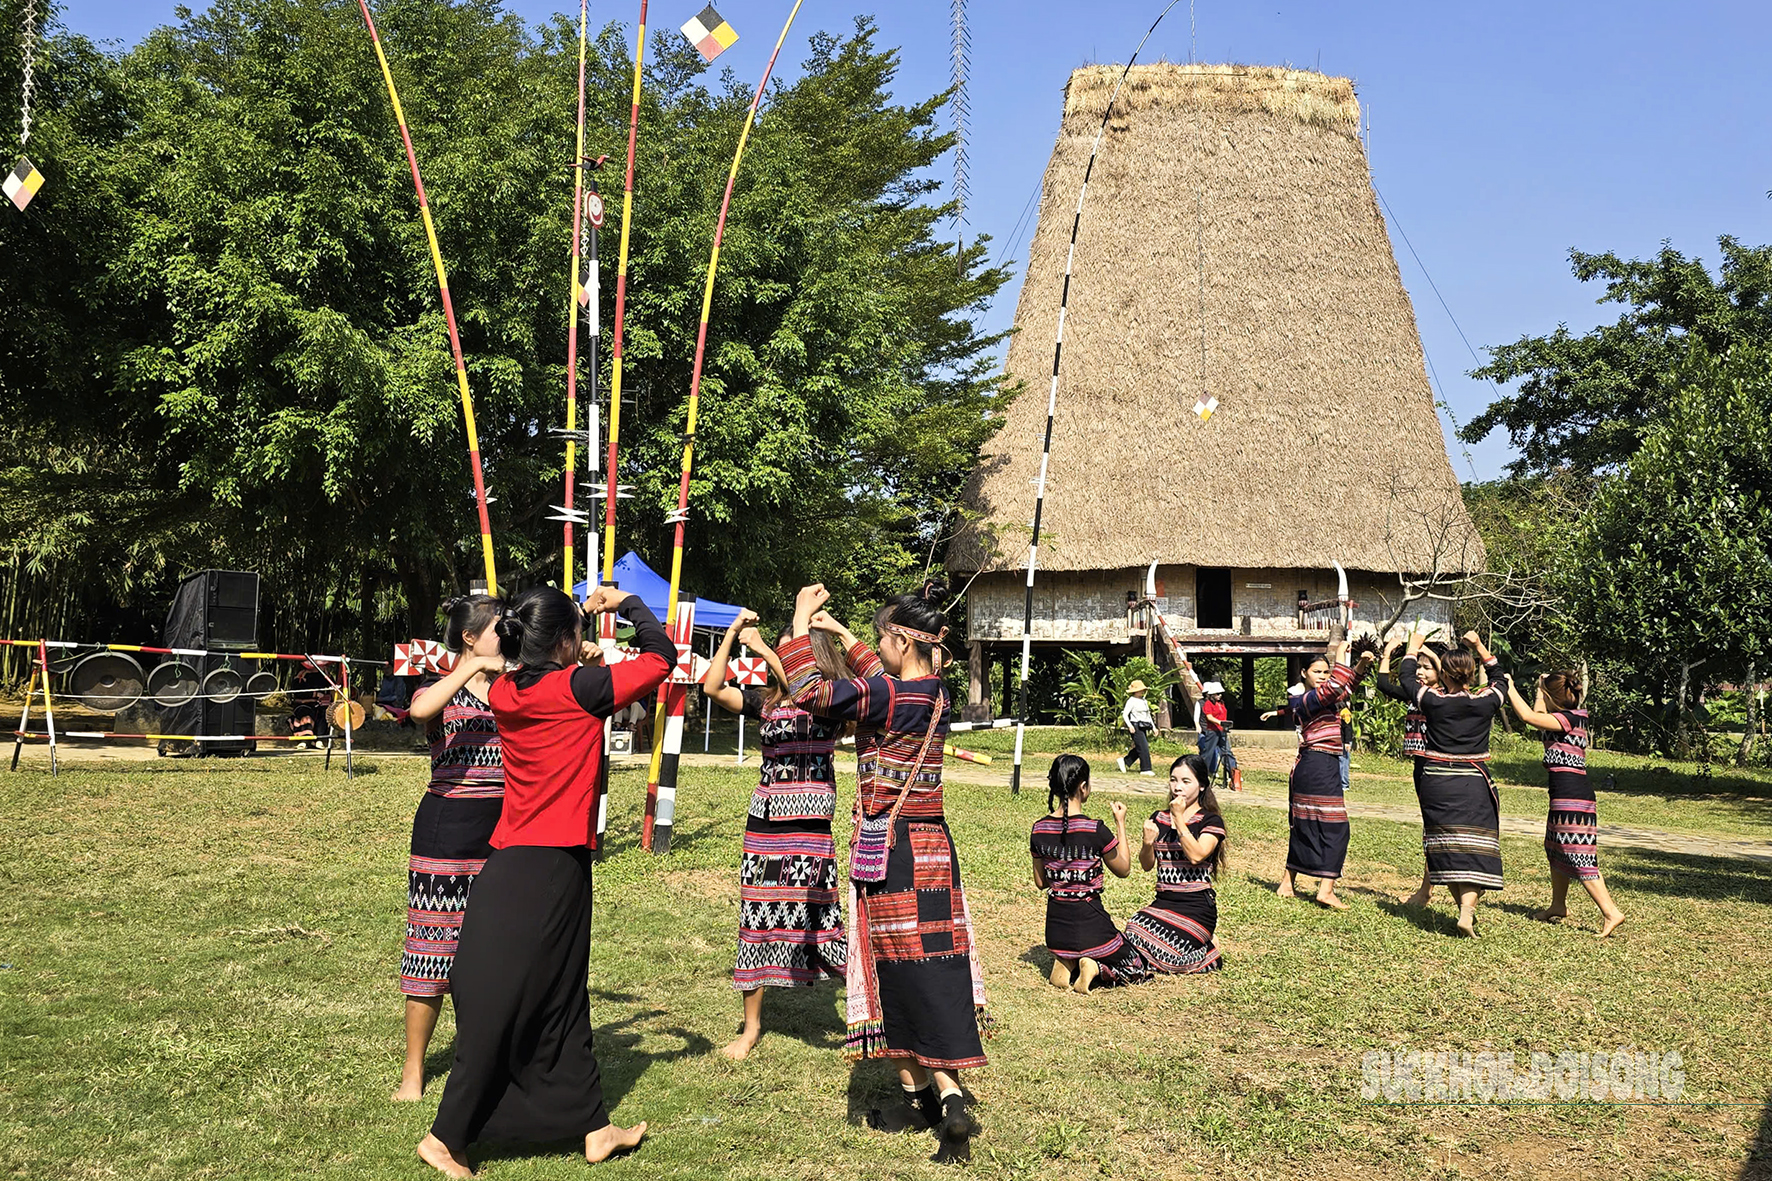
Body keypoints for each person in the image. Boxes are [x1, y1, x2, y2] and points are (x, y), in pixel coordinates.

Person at [417, 585, 673, 1179]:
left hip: (530, 859)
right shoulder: (579, 690)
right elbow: (660, 658)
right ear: (565, 639)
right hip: (545, 866)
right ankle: (444, 1137)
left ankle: (593, 1126)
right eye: (577, 632)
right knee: (507, 1001)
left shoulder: (508, 690)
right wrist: (629, 605)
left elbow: (528, 672)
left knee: (563, 993)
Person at [785, 581, 987, 1165]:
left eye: (881, 637)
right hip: (933, 849)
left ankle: (919, 1094)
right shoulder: (935, 693)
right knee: (934, 967)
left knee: (890, 969)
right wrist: (849, 637)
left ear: (902, 638)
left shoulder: (894, 699)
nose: (878, 646)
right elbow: (887, 678)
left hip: (890, 851)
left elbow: (812, 693)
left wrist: (800, 626)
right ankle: (943, 1100)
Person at [700, 607, 869, 1060]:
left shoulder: (831, 701)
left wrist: (766, 650)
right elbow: (711, 687)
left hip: (810, 827)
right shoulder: (768, 703)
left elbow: (801, 687)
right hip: (765, 824)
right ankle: (751, 1026)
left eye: (791, 650)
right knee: (755, 917)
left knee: (820, 919)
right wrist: (734, 633)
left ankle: (866, 1008)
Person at [393, 595, 508, 1103]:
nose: (508, 636)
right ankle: (413, 1072)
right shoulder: (438, 686)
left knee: (490, 952)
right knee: (432, 949)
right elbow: (420, 711)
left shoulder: (513, 688)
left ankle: (481, 1057)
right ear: (470, 637)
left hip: (505, 832)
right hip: (448, 829)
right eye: (499, 629)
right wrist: (472, 669)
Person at [1400, 629, 1509, 937]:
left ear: (1444, 676)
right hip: (1473, 781)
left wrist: (1412, 649)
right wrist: (1478, 646)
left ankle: (1462, 912)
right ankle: (1467, 911)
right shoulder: (1486, 702)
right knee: (1476, 849)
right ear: (1471, 675)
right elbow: (1501, 678)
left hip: (1435, 780)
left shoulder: (1433, 701)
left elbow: (1408, 680)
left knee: (1445, 846)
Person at [1507, 669, 1626, 936]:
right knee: (1555, 848)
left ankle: (1611, 912)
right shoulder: (1569, 716)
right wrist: (1540, 688)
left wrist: (1509, 687)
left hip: (1572, 796)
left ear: (1553, 698)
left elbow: (1528, 717)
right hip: (1565, 793)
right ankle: (1558, 905)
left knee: (1578, 853)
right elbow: (1538, 716)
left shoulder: (1568, 720)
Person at [1031, 754, 1146, 992]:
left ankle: (1066, 961)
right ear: (1083, 787)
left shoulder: (1038, 829)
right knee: (1136, 964)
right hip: (1091, 925)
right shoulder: (1094, 829)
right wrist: (1121, 824)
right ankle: (1094, 967)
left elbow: (1041, 882)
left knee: (1071, 946)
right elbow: (1123, 869)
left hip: (1056, 932)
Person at [1278, 640, 1373, 910]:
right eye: (1317, 671)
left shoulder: (1328, 697)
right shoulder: (1303, 699)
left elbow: (1346, 686)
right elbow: (1335, 686)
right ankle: (1324, 890)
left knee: (1306, 823)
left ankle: (1288, 882)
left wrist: (1362, 664)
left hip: (1324, 765)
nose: (1322, 676)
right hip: (1315, 764)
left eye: (1325, 671)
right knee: (1332, 826)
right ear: (1304, 674)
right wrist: (1340, 655)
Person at [1122, 753, 1227, 973]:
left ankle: (1209, 954)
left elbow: (1197, 855)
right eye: (1173, 780)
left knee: (1166, 953)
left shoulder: (1210, 820)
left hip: (1196, 907)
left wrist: (1178, 818)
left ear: (1201, 786)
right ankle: (1191, 951)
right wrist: (1147, 843)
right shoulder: (1159, 817)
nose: (1177, 787)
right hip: (1163, 903)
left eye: (1186, 781)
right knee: (1133, 930)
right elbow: (1146, 864)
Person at [1376, 639, 1442, 906]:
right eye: (1418, 666)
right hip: (1421, 766)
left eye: (1427, 667)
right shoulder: (1417, 694)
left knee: (1434, 829)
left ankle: (1426, 891)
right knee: (1430, 828)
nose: (1419, 671)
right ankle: (1427, 888)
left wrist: (1418, 651)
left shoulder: (1442, 696)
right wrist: (1388, 653)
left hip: (1436, 766)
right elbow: (1383, 685)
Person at [1197, 681, 1243, 791]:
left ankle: (1233, 775)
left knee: (1227, 752)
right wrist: (1219, 722)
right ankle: (1201, 775)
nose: (1219, 696)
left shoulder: (1221, 703)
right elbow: (1209, 717)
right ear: (1211, 695)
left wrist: (1224, 724)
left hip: (1222, 731)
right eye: (1217, 694)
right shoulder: (1208, 704)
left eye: (1220, 693)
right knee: (1208, 753)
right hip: (1212, 731)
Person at [1116, 679, 1155, 775]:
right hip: (1135, 726)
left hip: (1144, 725)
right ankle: (1146, 769)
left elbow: (1148, 715)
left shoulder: (1144, 701)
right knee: (1143, 747)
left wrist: (1154, 727)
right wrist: (1130, 726)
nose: (1142, 692)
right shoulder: (1131, 701)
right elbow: (1125, 714)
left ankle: (1125, 761)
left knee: (1140, 748)